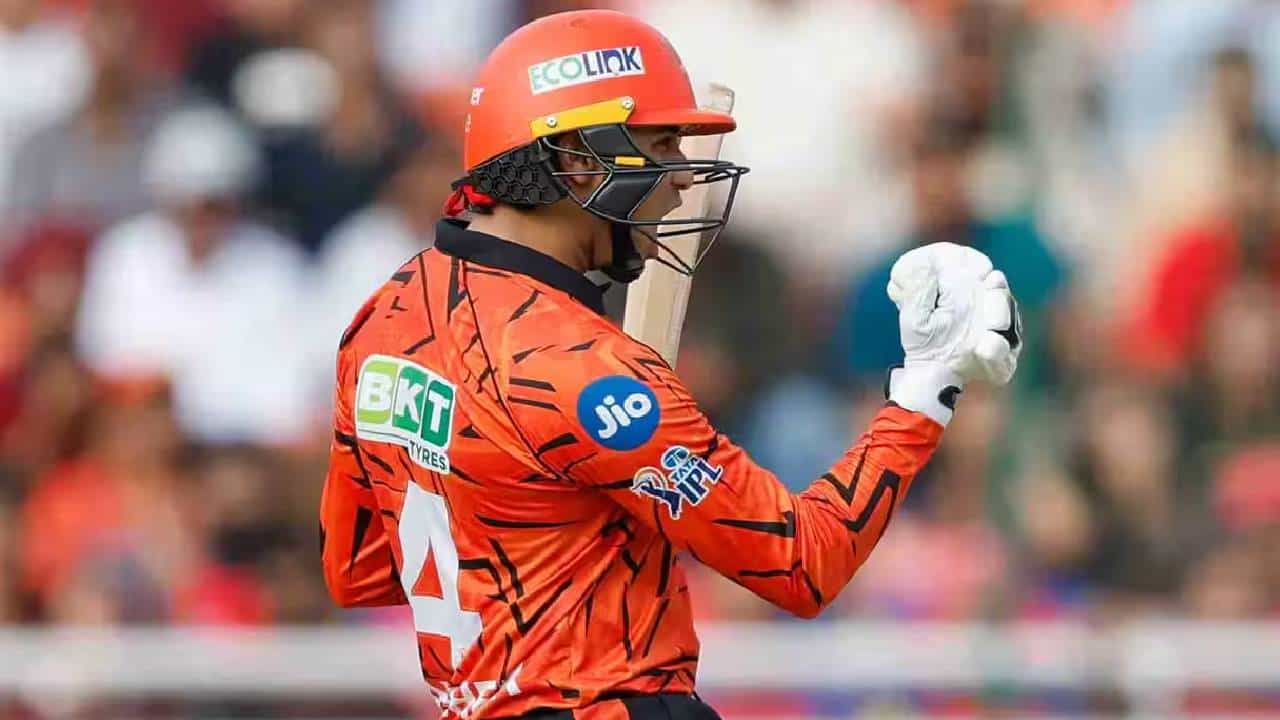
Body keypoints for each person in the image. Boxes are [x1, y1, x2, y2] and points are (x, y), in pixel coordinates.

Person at [319, 10, 1022, 720]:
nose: (682, 180)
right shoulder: (587, 369)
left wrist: (539, 532)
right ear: (575, 161)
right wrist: (926, 386)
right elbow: (805, 562)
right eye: (659, 147)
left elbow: (360, 571)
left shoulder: (381, 321)